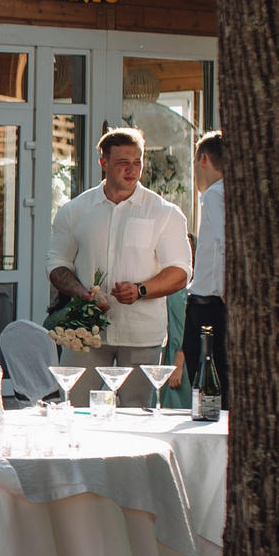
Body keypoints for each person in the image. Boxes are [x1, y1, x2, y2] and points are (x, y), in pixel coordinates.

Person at [47, 126, 192, 407]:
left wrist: (141, 289)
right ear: (104, 163)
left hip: (141, 334)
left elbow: (181, 271)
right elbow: (56, 264)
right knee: (75, 408)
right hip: (86, 333)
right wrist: (82, 293)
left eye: (137, 161)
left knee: (136, 416)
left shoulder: (164, 213)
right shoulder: (75, 210)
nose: (132, 169)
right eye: (123, 163)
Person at [183, 132, 226, 397]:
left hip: (208, 304)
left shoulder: (213, 194)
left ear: (204, 160)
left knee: (206, 381)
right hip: (213, 302)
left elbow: (225, 242)